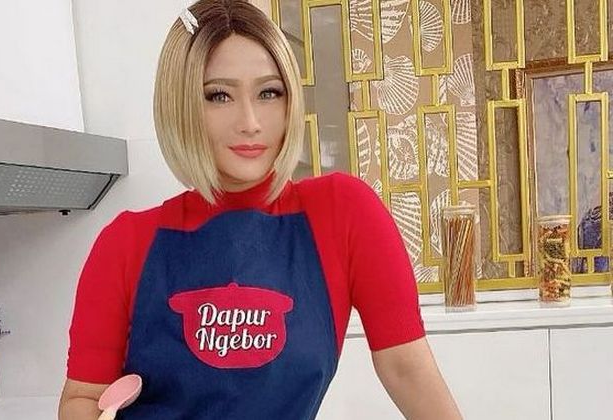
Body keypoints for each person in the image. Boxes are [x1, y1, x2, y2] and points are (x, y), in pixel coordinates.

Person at [58, 1, 462, 419]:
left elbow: (406, 368)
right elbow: (83, 399)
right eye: (219, 96)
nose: (250, 121)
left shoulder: (343, 213)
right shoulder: (125, 243)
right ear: (180, 105)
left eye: (269, 92)